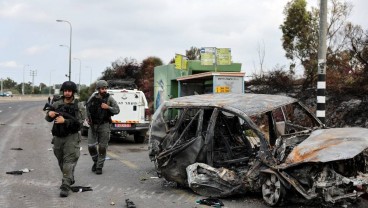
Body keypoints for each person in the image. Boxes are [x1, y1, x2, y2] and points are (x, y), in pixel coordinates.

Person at [45, 81, 84, 197]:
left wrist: (65, 121)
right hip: (58, 137)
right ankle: (69, 177)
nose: (67, 93)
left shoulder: (79, 106)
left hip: (71, 137)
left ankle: (65, 185)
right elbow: (48, 119)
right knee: (60, 160)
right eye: (65, 90)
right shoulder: (57, 104)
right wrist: (50, 115)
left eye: (69, 91)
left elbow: (81, 124)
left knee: (68, 161)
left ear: (73, 92)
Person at [86, 80, 120, 175]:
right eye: (102, 88)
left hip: (104, 125)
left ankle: (99, 166)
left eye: (105, 88)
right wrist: (87, 118)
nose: (104, 90)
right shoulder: (93, 97)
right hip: (93, 125)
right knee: (91, 146)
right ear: (98, 89)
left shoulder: (110, 99)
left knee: (102, 147)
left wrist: (108, 107)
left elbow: (117, 110)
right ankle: (96, 161)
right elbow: (87, 108)